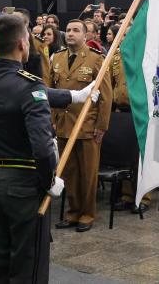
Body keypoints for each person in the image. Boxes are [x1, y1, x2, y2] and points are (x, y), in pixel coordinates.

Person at [0, 14, 98, 283]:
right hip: (25, 186)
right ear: (22, 43)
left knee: (1, 261)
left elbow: (22, 93)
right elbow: (41, 148)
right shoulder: (29, 85)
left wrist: (74, 96)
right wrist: (49, 180)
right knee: (29, 266)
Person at [50, 20, 112, 229]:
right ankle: (73, 212)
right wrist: (52, 120)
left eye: (76, 30)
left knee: (87, 174)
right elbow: (51, 91)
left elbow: (106, 96)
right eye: (68, 30)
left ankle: (87, 214)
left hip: (87, 126)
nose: (70, 34)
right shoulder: (57, 58)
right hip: (63, 124)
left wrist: (101, 125)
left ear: (85, 36)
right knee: (69, 173)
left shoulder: (96, 59)